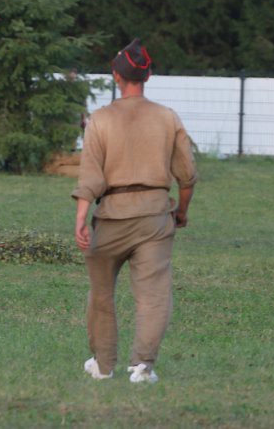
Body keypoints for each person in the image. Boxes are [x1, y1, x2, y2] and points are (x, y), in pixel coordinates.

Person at [73, 38, 197, 384]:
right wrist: (181, 212)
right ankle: (142, 367)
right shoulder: (167, 118)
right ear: (148, 75)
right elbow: (187, 176)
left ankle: (102, 365)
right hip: (156, 215)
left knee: (101, 293)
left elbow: (90, 176)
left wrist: (81, 217)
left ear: (116, 76)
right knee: (154, 294)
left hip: (111, 216)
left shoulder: (100, 120)